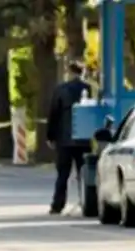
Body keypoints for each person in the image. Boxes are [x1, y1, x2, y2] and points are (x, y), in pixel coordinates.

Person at [45, 60, 94, 215]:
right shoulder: (90, 89)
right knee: (84, 174)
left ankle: (57, 205)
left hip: (64, 139)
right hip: (84, 139)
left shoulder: (61, 90)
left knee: (63, 174)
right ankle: (88, 204)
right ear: (83, 72)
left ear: (70, 72)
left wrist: (50, 136)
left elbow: (53, 114)